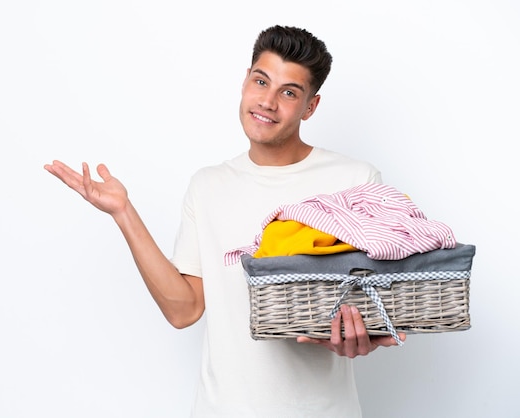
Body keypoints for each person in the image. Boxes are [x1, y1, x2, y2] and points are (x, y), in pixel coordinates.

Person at [45, 25, 406, 417]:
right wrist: (123, 213)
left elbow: (383, 307)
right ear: (244, 83)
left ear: (310, 107)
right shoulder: (208, 186)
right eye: (260, 81)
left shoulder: (354, 180)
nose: (268, 102)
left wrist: (366, 335)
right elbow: (184, 310)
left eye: (289, 92)